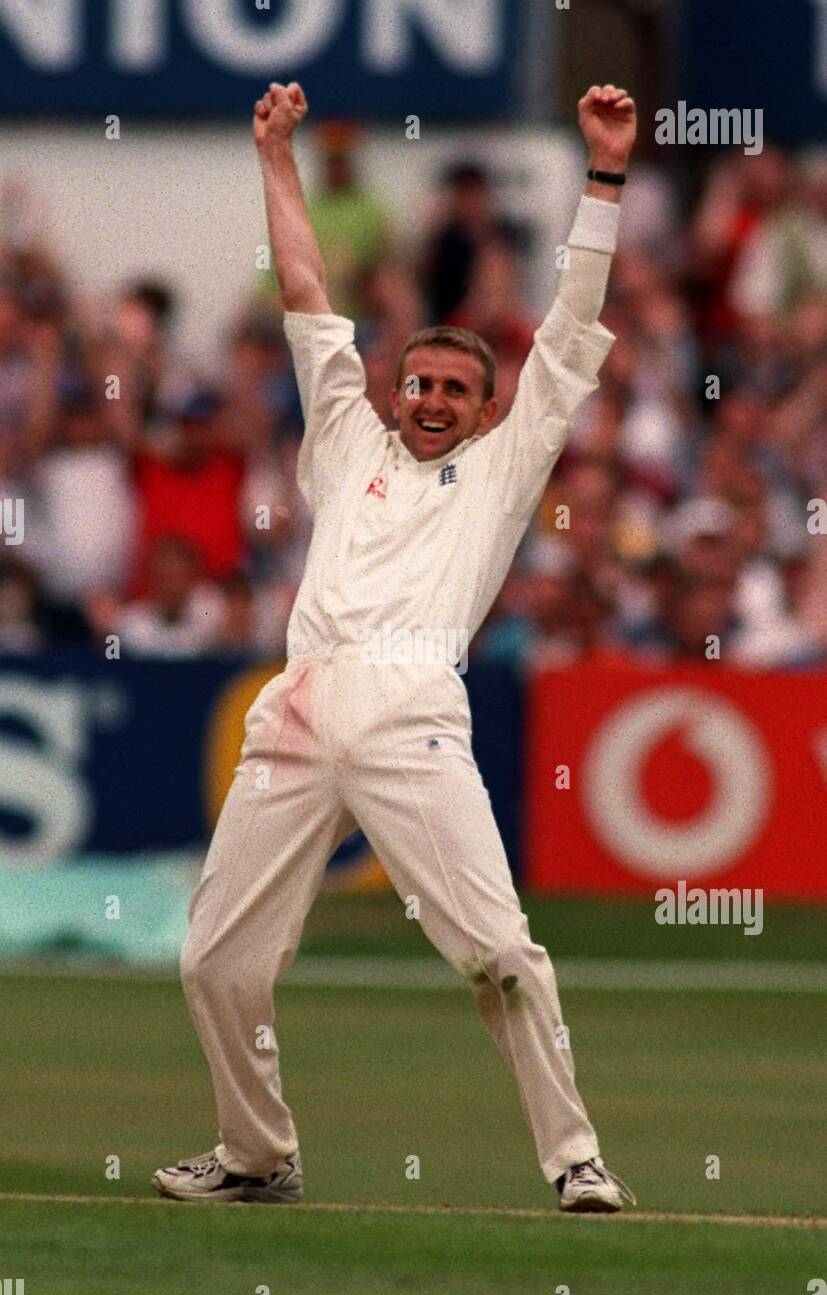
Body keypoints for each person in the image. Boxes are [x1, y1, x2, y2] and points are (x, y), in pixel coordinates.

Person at [154, 81, 638, 1214]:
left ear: (481, 410)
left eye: (454, 389)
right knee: (214, 961)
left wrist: (603, 174)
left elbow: (567, 335)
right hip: (299, 710)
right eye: (417, 380)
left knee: (499, 955)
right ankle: (257, 1155)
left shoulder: (501, 469)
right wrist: (273, 155)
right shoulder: (344, 434)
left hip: (415, 718)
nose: (428, 398)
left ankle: (574, 1160)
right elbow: (309, 290)